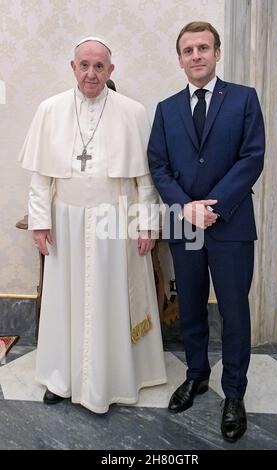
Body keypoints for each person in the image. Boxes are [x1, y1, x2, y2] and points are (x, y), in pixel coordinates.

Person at [19, 37, 167, 414]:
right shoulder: (50, 110)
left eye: (99, 66)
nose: (91, 73)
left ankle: (116, 378)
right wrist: (39, 222)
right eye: (84, 65)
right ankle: (61, 377)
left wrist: (146, 224)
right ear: (73, 67)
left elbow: (144, 180)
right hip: (65, 222)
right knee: (66, 301)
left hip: (114, 223)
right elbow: (40, 178)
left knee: (111, 300)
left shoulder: (132, 112)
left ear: (110, 71)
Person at [148, 21, 265, 442]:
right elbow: (158, 165)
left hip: (230, 224)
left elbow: (252, 157)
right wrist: (186, 207)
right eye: (187, 50)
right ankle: (197, 375)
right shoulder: (165, 109)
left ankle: (234, 393)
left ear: (217, 53)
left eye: (203, 48)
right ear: (179, 59)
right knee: (192, 307)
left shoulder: (245, 99)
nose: (196, 55)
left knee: (234, 312)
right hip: (186, 225)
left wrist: (212, 206)